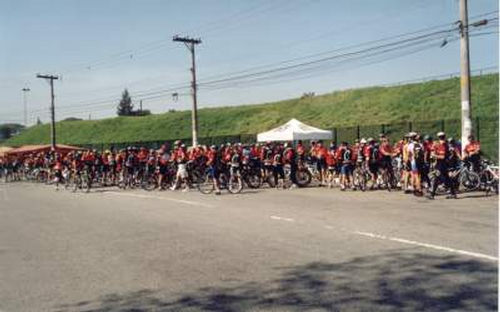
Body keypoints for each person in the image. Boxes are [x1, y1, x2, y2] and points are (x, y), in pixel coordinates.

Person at [428, 132, 456, 199]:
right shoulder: (442, 145)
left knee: (437, 178)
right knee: (446, 179)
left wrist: (434, 155)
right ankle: (452, 193)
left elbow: (442, 157)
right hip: (442, 163)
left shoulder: (444, 145)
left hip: (442, 164)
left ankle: (432, 194)